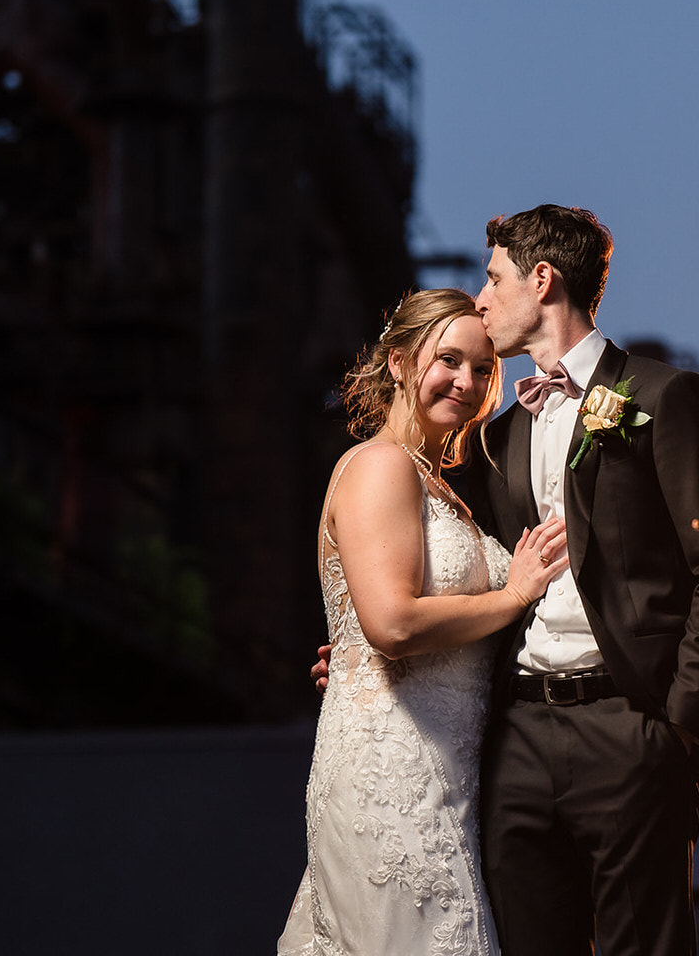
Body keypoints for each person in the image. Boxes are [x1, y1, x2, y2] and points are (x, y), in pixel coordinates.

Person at [467, 204, 699, 956]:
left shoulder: (665, 399)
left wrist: (679, 728)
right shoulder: (501, 435)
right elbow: (472, 580)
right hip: (518, 739)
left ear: (543, 279)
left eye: (493, 278)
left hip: (630, 731)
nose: (480, 298)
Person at [279, 288, 570, 956]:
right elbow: (392, 624)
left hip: (451, 781)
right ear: (399, 362)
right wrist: (513, 592)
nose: (466, 382)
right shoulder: (379, 466)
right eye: (448, 361)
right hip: (391, 778)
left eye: (482, 366)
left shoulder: (447, 492)